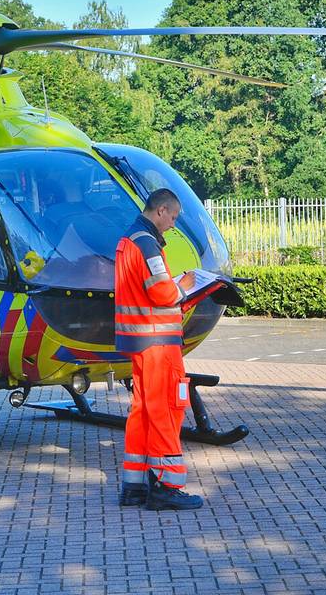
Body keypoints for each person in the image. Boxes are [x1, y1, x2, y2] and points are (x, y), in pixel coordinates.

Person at [114, 188, 203, 511]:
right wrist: (186, 286)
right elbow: (163, 292)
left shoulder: (128, 239)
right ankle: (167, 486)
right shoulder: (147, 242)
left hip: (138, 342)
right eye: (174, 218)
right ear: (161, 211)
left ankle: (134, 487)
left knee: (142, 411)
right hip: (158, 343)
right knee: (166, 409)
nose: (173, 225)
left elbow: (143, 288)